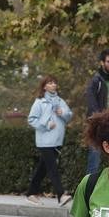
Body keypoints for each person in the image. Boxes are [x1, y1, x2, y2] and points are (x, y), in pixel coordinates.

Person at [26, 75, 73, 204]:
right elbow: (31, 119)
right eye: (50, 83)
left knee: (43, 168)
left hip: (57, 140)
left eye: (54, 83)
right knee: (52, 168)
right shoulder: (40, 102)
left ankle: (31, 193)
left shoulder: (60, 101)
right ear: (45, 86)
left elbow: (69, 116)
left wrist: (62, 113)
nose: (53, 85)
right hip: (44, 141)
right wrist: (46, 125)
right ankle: (61, 194)